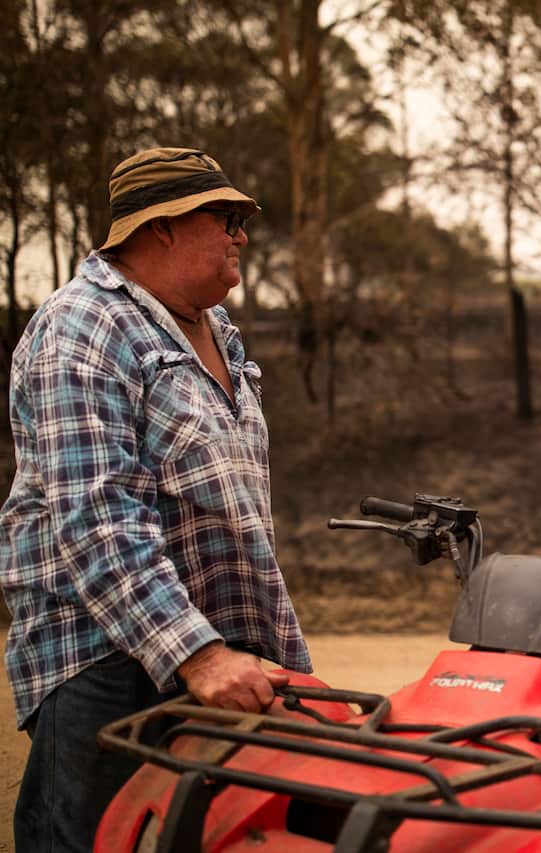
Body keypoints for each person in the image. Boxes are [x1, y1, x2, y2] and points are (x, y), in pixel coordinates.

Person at [0, 147, 313, 852]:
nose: (240, 233)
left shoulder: (217, 330)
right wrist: (198, 658)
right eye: (225, 217)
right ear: (160, 228)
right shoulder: (82, 327)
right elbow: (97, 517)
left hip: (217, 653)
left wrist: (260, 650)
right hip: (108, 665)